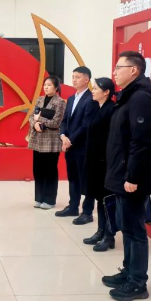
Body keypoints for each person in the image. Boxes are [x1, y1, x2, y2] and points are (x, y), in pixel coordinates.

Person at [102, 51, 151, 301]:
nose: (114, 72)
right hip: (123, 173)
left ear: (134, 70)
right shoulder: (129, 95)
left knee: (135, 230)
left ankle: (138, 282)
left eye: (119, 67)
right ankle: (128, 272)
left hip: (132, 177)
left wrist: (133, 177)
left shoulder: (140, 98)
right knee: (126, 226)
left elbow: (142, 142)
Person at [55, 66, 97, 223]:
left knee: (86, 179)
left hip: (83, 147)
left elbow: (85, 125)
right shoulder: (72, 98)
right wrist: (63, 136)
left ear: (86, 79)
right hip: (70, 146)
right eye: (73, 77)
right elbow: (65, 120)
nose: (74, 80)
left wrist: (69, 140)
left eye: (77, 77)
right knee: (72, 177)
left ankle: (87, 212)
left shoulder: (91, 99)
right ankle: (73, 206)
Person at [82, 77, 116, 252]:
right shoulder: (97, 107)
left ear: (106, 92)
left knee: (106, 199)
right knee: (99, 198)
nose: (93, 91)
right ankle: (100, 231)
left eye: (96, 88)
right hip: (95, 161)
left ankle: (109, 235)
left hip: (105, 162)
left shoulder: (112, 110)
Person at [28, 75, 67, 210]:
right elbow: (31, 116)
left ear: (56, 88)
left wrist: (40, 120)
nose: (46, 87)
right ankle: (39, 198)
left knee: (50, 170)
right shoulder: (39, 99)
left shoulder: (60, 102)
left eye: (49, 85)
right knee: (37, 169)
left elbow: (56, 122)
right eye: (45, 85)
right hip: (38, 140)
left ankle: (49, 200)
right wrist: (34, 124)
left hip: (51, 141)